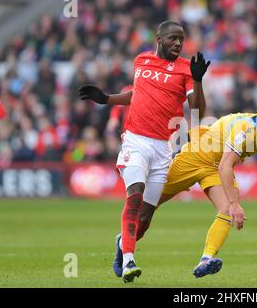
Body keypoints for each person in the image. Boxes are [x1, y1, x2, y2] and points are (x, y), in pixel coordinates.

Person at [118, 89, 257, 278]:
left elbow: (224, 159)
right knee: (144, 212)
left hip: (214, 167)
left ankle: (206, 260)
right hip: (194, 158)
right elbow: (227, 165)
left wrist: (232, 203)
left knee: (226, 211)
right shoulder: (248, 129)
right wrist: (235, 202)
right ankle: (122, 243)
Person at [78, 20, 211, 283]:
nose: (178, 43)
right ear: (159, 39)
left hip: (163, 148)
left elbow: (197, 113)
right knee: (135, 194)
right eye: (173, 38)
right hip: (135, 140)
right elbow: (137, 94)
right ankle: (129, 260)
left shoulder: (186, 69)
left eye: (181, 40)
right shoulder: (141, 60)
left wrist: (197, 80)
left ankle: (122, 242)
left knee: (145, 220)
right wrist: (107, 99)